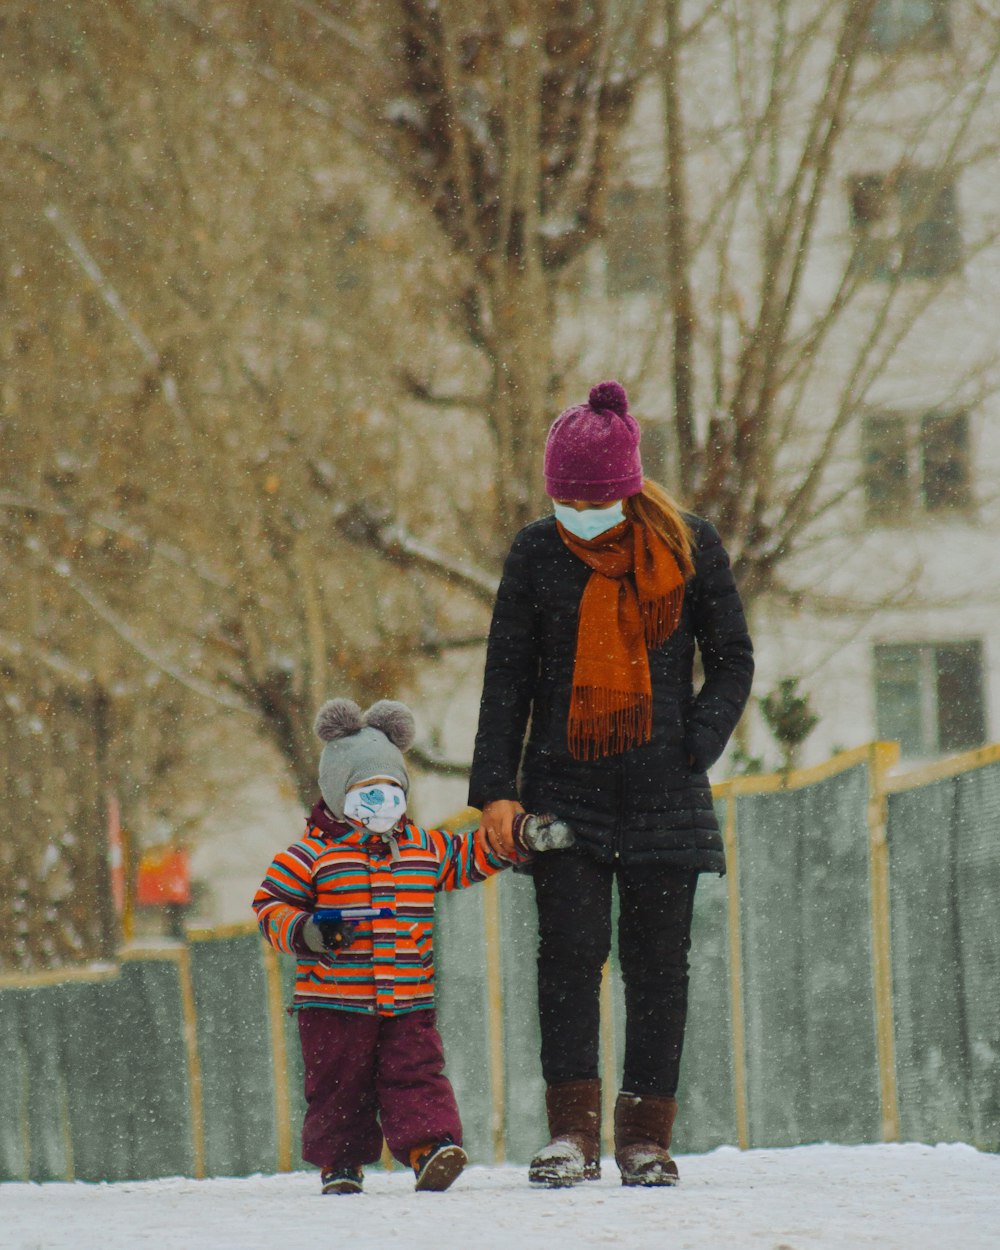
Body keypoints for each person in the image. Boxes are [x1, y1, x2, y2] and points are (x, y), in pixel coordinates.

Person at [469, 380, 754, 1188]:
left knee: (659, 966)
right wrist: (497, 790)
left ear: (626, 490)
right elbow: (507, 680)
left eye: (591, 502)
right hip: (563, 790)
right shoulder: (534, 552)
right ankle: (572, 1136)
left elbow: (733, 659)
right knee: (567, 958)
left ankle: (645, 1138)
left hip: (666, 792)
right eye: (564, 501)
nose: (576, 515)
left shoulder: (688, 546)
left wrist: (692, 745)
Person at [253, 696, 571, 1196]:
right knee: (340, 1087)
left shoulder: (423, 848)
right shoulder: (310, 855)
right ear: (338, 795)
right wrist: (308, 931)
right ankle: (341, 1163)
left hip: (408, 998)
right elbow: (270, 906)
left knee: (417, 1075)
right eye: (366, 792)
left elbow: (471, 854)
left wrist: (522, 839)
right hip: (334, 1002)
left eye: (391, 790)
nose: (382, 803)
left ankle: (429, 1148)